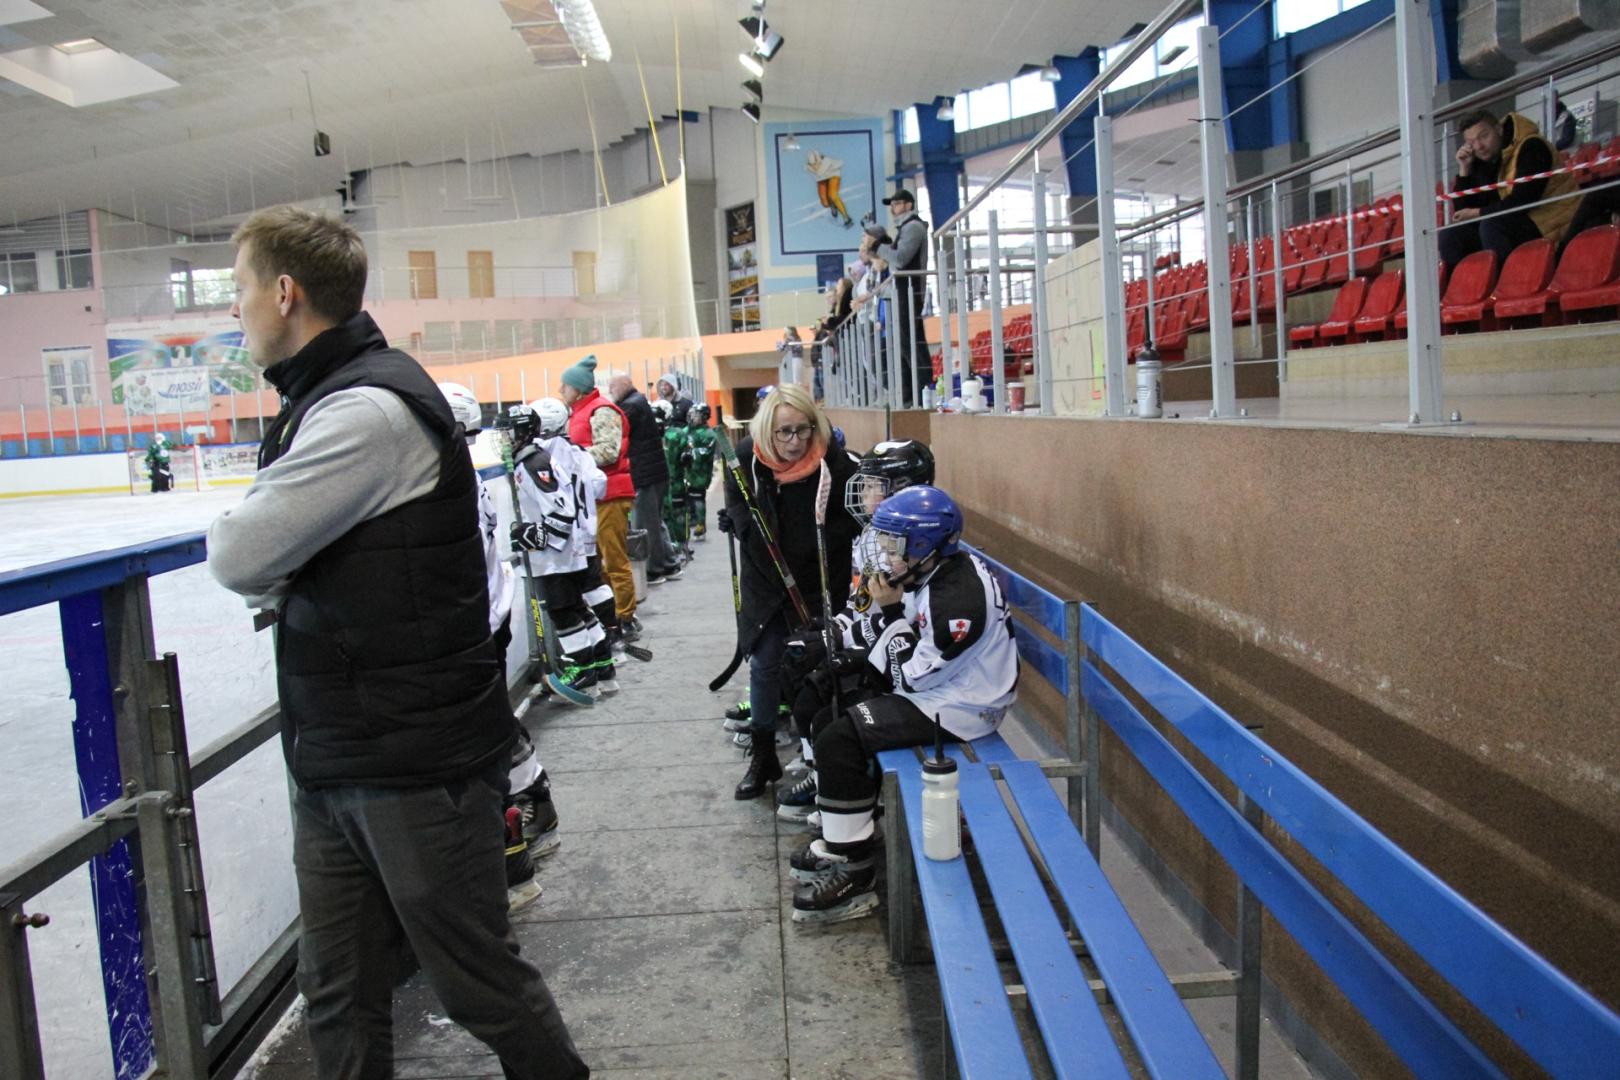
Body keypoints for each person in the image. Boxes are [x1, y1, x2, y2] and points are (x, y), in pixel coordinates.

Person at [206, 205, 587, 1079]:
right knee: (335, 989)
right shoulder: (327, 401)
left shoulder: (367, 413)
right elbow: (283, 565)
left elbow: (240, 555)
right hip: (339, 749)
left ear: (286, 293)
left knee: (475, 980)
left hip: (414, 760)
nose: (235, 308)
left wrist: (283, 563)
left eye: (240, 288)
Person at [790, 486, 1019, 925]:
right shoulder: (930, 570)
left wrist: (890, 613)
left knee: (840, 738)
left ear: (924, 545)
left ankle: (855, 872)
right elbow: (900, 649)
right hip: (942, 691)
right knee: (827, 711)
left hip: (965, 707)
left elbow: (911, 676)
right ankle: (847, 833)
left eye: (895, 545)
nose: (887, 554)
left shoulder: (958, 602)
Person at [437, 382, 558, 911]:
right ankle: (533, 806)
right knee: (490, 725)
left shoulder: (444, 478)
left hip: (476, 624)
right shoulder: (455, 472)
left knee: (479, 737)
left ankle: (512, 850)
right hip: (485, 616)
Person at [776, 438, 938, 823]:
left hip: (903, 665)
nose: (862, 493)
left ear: (901, 489)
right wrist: (833, 630)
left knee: (829, 714)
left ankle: (847, 789)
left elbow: (899, 624)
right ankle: (825, 778)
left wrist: (848, 646)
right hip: (882, 647)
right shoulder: (871, 535)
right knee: (804, 678)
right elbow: (863, 604)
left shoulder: (913, 544)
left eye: (872, 485)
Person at [720, 384, 861, 800]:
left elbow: (850, 518)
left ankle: (816, 755)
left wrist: (815, 545)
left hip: (818, 582)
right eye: (784, 432)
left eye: (803, 429)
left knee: (812, 666)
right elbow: (739, 505)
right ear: (768, 431)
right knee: (764, 665)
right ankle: (764, 757)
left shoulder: (834, 463)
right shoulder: (745, 459)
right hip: (765, 582)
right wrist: (745, 530)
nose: (795, 441)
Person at [508, 402, 618, 700]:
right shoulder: (544, 456)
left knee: (562, 612)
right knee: (576, 607)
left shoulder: (533, 462)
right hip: (568, 550)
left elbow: (561, 509)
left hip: (557, 556)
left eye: (510, 432)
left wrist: (538, 535)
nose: (505, 439)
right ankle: (602, 667)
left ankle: (583, 671)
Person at [1439, 109, 1578, 270]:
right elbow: (1462, 214)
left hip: (1550, 221)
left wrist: (1478, 213)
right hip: (1516, 223)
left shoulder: (1532, 146)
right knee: (1451, 235)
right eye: (1471, 142)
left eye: (1484, 136)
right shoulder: (1484, 160)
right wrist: (1465, 169)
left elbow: (1523, 201)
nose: (1479, 146)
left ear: (1499, 129)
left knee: (1493, 225)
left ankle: (1510, 282)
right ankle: (1471, 285)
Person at [562, 355, 639, 637]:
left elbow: (608, 451)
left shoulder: (601, 411)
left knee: (613, 560)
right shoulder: (584, 411)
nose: (561, 390)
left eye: (565, 385)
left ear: (578, 388)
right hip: (596, 496)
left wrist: (570, 457)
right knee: (601, 562)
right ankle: (612, 615)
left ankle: (625, 617)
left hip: (610, 494)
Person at [609, 373, 682, 587]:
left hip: (644, 474)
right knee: (655, 521)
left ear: (624, 385)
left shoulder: (630, 407)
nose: (610, 391)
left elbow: (615, 431)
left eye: (613, 386)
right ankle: (669, 564)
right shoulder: (638, 402)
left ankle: (653, 569)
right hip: (654, 472)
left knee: (645, 523)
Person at [872, 188, 931, 406]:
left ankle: (922, 391)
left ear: (908, 205)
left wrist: (878, 247)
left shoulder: (913, 227)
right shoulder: (906, 228)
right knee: (905, 344)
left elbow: (901, 258)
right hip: (903, 291)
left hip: (909, 291)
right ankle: (911, 394)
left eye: (896, 204)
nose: (893, 209)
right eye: (892, 205)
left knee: (911, 344)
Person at [655, 399, 692, 557]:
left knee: (677, 514)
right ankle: (672, 546)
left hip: (675, 481)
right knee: (666, 515)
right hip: (664, 482)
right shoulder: (652, 435)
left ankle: (681, 545)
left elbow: (687, 458)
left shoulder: (677, 435)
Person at [685, 404, 717, 541]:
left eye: (696, 414)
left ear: (704, 417)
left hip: (700, 473)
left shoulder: (708, 434)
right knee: (685, 499)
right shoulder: (687, 430)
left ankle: (701, 524)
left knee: (698, 497)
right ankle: (688, 522)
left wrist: (691, 452)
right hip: (686, 471)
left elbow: (706, 452)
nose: (692, 417)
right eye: (692, 414)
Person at [805, 148, 855, 227]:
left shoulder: (827, 161)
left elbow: (840, 163)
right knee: (825, 203)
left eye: (816, 164)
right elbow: (814, 171)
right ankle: (832, 205)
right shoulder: (809, 167)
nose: (815, 167)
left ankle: (846, 218)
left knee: (832, 194)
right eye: (813, 165)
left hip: (833, 174)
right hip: (821, 179)